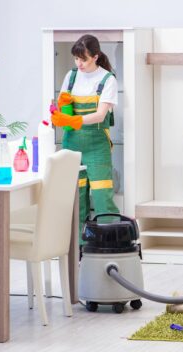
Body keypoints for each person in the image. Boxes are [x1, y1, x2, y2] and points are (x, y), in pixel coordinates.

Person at [51, 34, 119, 248]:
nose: (79, 64)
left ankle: (109, 246)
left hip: (97, 146)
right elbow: (62, 107)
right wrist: (58, 110)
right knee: (75, 198)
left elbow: (100, 115)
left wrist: (73, 119)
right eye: (76, 59)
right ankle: (76, 249)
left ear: (96, 57)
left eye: (84, 59)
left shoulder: (107, 79)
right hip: (71, 145)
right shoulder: (71, 76)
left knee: (102, 196)